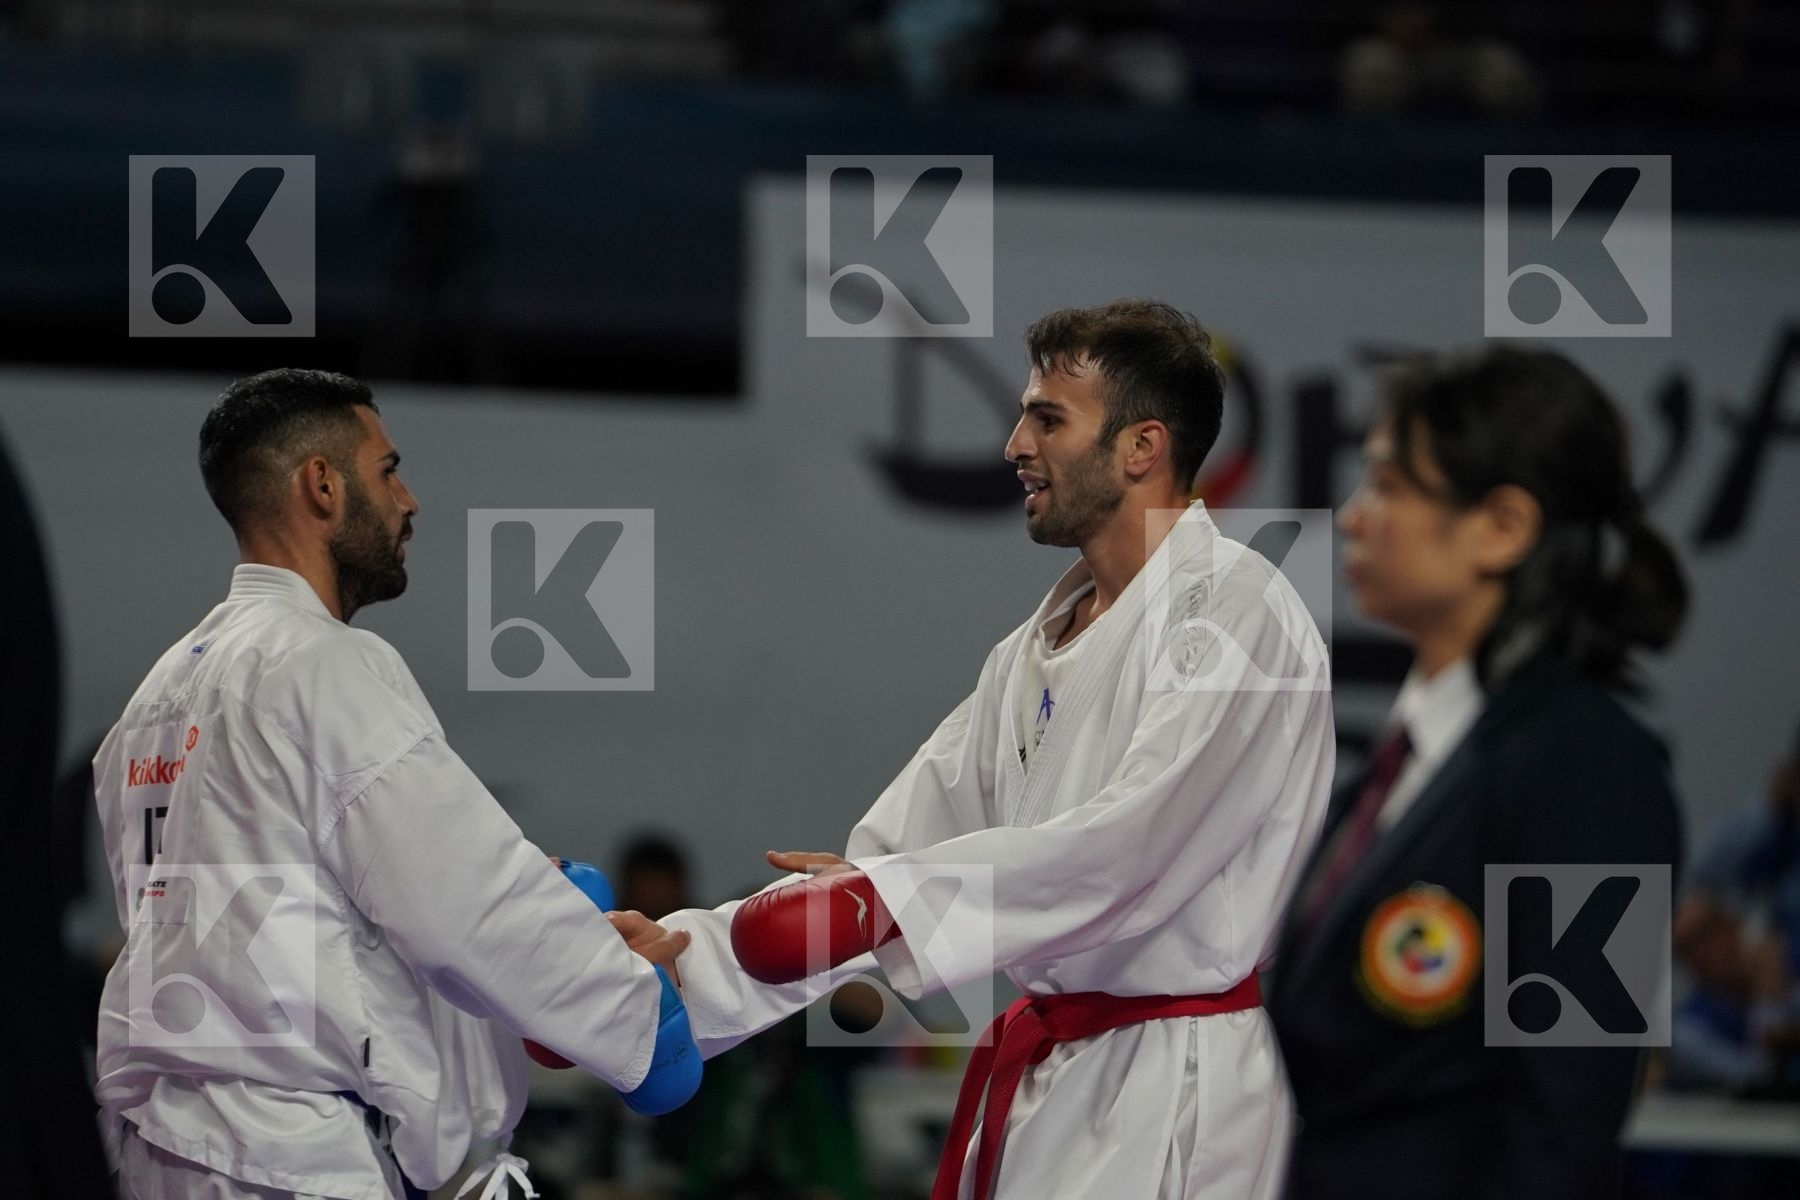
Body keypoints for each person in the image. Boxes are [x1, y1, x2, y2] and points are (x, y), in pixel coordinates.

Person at [622, 299, 1337, 1199]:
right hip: (1053, 1079)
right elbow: (891, 861)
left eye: (1047, 418)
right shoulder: (1031, 649)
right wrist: (676, 967)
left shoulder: (1237, 612)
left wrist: (876, 900)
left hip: (1176, 1088)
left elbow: (1127, 850)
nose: (1013, 445)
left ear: (1141, 447)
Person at [92, 369, 695, 1200]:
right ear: (323, 484)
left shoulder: (153, 699)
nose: (410, 501)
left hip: (167, 1147)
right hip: (291, 1157)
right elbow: (463, 902)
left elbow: (310, 914)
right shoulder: (325, 663)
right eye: (388, 470)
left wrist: (558, 919)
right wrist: (633, 1011)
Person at [1267, 345, 1689, 1199]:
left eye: (1388, 486)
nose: (1352, 517)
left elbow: (1567, 1122)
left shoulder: (1592, 768)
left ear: (1502, 527)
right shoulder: (1404, 764)